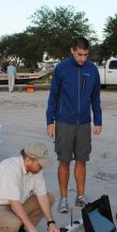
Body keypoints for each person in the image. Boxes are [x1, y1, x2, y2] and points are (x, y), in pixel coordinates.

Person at [46, 37, 102, 213]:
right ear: (72, 50)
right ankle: (63, 199)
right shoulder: (61, 68)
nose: (82, 58)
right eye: (79, 54)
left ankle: (80, 196)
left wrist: (98, 120)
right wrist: (50, 121)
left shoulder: (92, 69)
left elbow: (95, 97)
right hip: (64, 122)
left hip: (84, 123)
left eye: (86, 55)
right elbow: (53, 96)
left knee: (82, 160)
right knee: (64, 161)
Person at [0, 142, 61, 232]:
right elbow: (14, 204)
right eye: (40, 164)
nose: (42, 168)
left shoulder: (35, 170)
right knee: (13, 222)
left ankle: (18, 230)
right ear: (28, 160)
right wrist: (32, 230)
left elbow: (42, 196)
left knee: (49, 197)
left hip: (16, 204)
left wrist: (51, 223)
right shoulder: (10, 168)